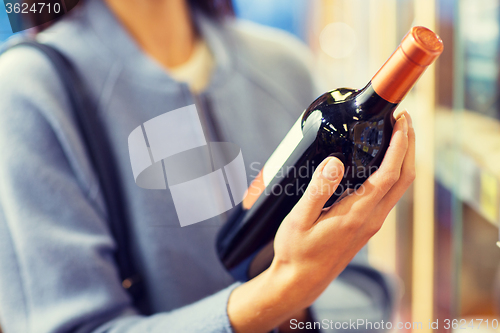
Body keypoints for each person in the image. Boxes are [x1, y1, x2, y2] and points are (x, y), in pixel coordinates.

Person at [0, 0, 415, 332]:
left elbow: (363, 293)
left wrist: (301, 307)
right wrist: (281, 292)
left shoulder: (284, 66)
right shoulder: (31, 90)